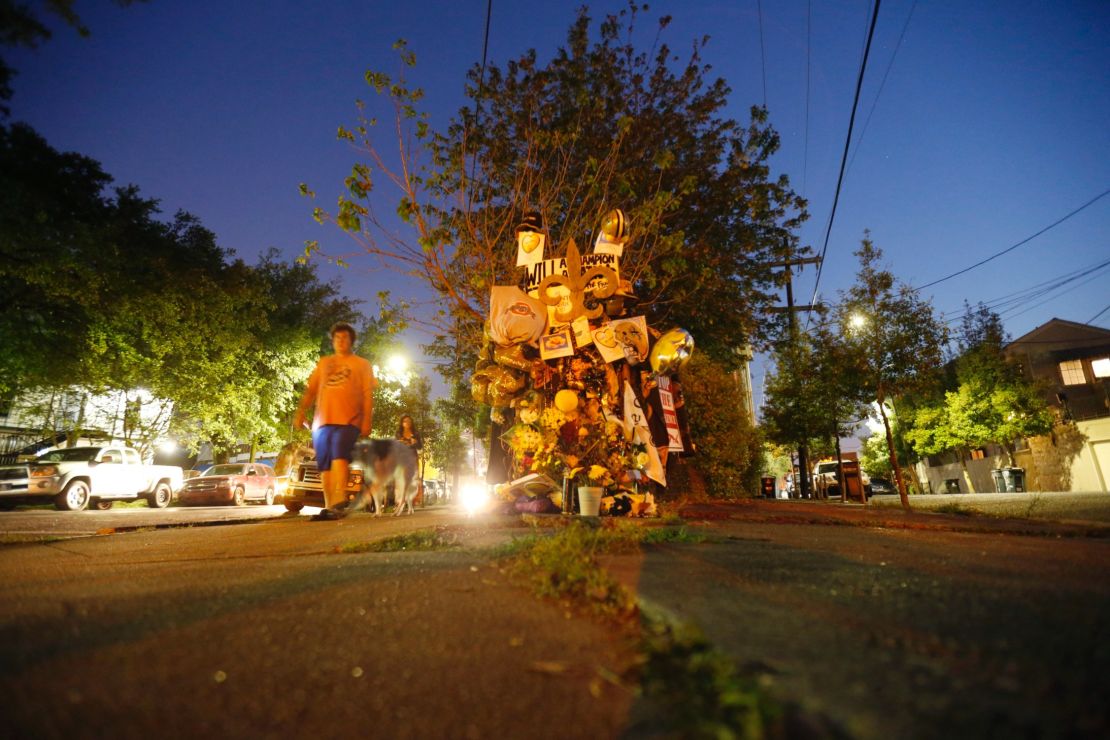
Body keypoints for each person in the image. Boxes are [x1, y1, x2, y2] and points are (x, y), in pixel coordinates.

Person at [293, 322, 376, 520]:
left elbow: (367, 394)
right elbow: (311, 389)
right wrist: (301, 411)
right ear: (332, 341)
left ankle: (339, 502)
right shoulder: (324, 363)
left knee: (340, 455)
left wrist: (366, 421)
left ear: (351, 341)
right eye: (337, 338)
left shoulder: (362, 364)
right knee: (325, 464)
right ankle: (330, 507)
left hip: (349, 420)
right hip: (322, 422)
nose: (340, 341)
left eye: (345, 338)